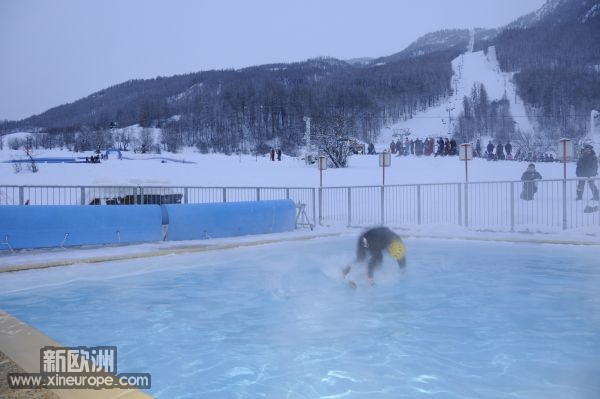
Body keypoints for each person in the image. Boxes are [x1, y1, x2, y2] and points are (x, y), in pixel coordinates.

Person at [342, 227, 406, 286]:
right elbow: (373, 260)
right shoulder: (380, 243)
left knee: (378, 261)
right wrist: (370, 279)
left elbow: (400, 255)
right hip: (364, 240)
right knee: (362, 258)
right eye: (390, 252)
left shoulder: (397, 242)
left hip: (376, 237)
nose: (389, 253)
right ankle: (345, 271)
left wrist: (402, 270)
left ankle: (364, 275)